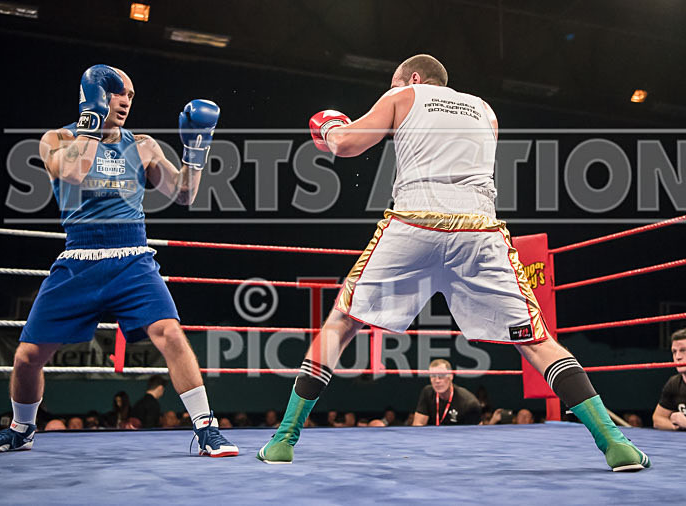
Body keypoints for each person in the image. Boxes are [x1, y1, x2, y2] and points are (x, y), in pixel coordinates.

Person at [257, 54, 650, 471]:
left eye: (393, 82)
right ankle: (615, 443)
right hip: (479, 229)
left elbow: (347, 144)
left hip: (414, 222)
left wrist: (330, 127)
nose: (390, 89)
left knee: (342, 321)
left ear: (412, 77)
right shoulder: (486, 110)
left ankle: (284, 440)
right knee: (535, 339)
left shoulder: (404, 94)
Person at [0, 65, 237, 457]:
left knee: (171, 334)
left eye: (130, 94)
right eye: (116, 91)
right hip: (79, 259)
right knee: (27, 356)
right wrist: (90, 120)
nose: (126, 100)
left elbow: (184, 194)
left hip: (132, 258)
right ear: (94, 94)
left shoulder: (143, 145)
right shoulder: (57, 138)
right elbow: (74, 172)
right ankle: (21, 429)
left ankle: (207, 428)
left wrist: (196, 149)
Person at [411, 359, 481, 426]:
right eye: (433, 376)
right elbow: (418, 425)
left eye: (441, 376)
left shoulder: (469, 403)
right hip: (432, 437)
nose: (437, 380)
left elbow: (476, 434)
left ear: (451, 376)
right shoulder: (427, 393)